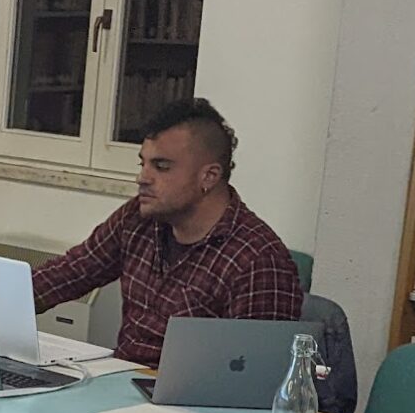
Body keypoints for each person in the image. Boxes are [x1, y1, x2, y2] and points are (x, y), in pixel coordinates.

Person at [27, 96, 304, 370]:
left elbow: (254, 376)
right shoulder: (139, 217)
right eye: (143, 164)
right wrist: (4, 300)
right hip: (119, 379)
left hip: (187, 394)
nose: (142, 178)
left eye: (161, 167)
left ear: (209, 176)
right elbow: (71, 272)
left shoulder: (258, 260)